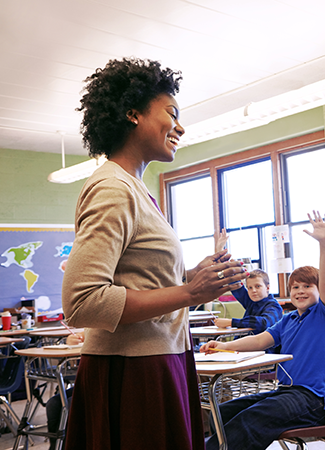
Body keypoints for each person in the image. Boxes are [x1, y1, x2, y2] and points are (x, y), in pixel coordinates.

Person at [61, 57, 248, 450]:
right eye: (171, 113)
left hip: (159, 359)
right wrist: (189, 293)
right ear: (132, 114)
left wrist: (187, 278)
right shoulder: (114, 188)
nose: (180, 127)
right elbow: (82, 302)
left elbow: (139, 281)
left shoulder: (136, 189)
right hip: (132, 371)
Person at [201, 211, 325, 450]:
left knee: (250, 419)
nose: (299, 291)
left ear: (319, 291)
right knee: (222, 412)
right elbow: (259, 341)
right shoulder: (288, 320)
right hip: (286, 391)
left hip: (314, 400)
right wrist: (224, 345)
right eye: (295, 286)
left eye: (308, 286)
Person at [212, 269, 283, 352]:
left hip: (264, 353)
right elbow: (237, 288)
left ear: (267, 287)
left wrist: (231, 322)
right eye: (250, 288)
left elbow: (263, 323)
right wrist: (230, 271)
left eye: (258, 286)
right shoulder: (252, 302)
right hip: (244, 349)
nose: (253, 291)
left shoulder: (274, 306)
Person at [45, 331, 84, 450]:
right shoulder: (93, 327)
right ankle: (55, 447)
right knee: (54, 403)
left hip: (109, 382)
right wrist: (72, 339)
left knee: (72, 404)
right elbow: (85, 334)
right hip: (88, 381)